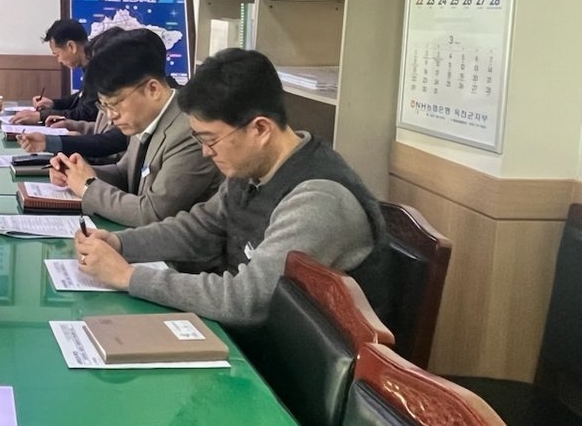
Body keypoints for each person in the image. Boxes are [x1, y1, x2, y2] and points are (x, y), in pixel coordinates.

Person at [73, 48, 390, 327]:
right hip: (247, 340)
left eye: (210, 140)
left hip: (281, 367)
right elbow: (200, 229)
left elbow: (245, 300)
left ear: (260, 129)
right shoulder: (251, 169)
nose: (205, 152)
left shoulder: (318, 201)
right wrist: (120, 243)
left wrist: (129, 277)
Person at [49, 30, 221, 227]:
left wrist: (88, 187)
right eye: (105, 106)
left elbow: (152, 213)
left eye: (115, 104)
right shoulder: (145, 118)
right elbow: (124, 173)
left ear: (153, 89)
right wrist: (76, 173)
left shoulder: (189, 132)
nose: (111, 117)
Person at [17, 28, 130, 161]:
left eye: (57, 55)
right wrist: (71, 124)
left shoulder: (128, 105)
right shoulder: (105, 84)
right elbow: (98, 124)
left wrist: (51, 140)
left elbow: (110, 141)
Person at [10, 19, 98, 126]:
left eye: (57, 55)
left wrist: (41, 116)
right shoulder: (91, 65)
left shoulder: (99, 69)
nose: (59, 60)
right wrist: (54, 104)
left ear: (71, 47)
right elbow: (81, 97)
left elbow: (86, 114)